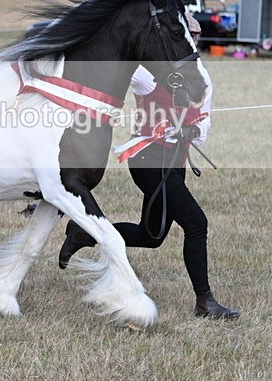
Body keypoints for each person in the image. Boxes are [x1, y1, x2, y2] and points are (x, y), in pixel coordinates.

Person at [58, 18, 239, 320]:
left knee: (152, 235)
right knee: (196, 223)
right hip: (147, 158)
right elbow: (117, 67)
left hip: (174, 161)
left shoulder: (202, 77)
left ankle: (86, 232)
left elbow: (205, 120)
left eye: (195, 34)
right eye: (187, 34)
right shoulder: (148, 73)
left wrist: (192, 132)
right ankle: (204, 301)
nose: (192, 38)